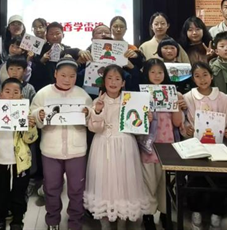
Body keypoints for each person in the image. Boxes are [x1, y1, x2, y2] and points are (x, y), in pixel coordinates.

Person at [31, 57, 93, 230]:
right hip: (50, 150)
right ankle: (52, 220)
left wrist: (88, 113)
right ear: (55, 74)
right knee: (51, 187)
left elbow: (91, 117)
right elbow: (33, 112)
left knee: (77, 188)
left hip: (77, 150)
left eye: (72, 76)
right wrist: (38, 115)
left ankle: (75, 221)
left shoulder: (82, 94)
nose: (67, 79)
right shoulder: (43, 93)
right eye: (63, 75)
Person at [85, 65, 148, 229]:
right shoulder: (97, 101)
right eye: (109, 78)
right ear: (103, 81)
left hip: (125, 145)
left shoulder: (131, 101)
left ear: (123, 82)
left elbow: (138, 126)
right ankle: (105, 223)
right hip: (102, 145)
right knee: (103, 183)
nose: (113, 82)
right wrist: (97, 111)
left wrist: (145, 118)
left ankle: (122, 222)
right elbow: (94, 128)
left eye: (117, 79)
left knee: (125, 183)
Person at [180, 62, 227, 230]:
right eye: (197, 76)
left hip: (219, 147)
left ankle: (216, 213)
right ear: (193, 79)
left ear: (211, 76)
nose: (202, 79)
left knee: (219, 180)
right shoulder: (187, 98)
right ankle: (196, 211)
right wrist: (187, 128)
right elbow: (181, 119)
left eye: (205, 75)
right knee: (195, 180)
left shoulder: (223, 98)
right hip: (195, 147)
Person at [0, 78, 38, 230]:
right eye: (7, 91)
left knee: (19, 192)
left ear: (21, 96)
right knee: (0, 191)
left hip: (20, 162)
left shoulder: (25, 113)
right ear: (0, 94)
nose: (11, 95)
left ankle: (17, 219)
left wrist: (30, 126)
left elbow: (30, 139)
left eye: (15, 92)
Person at [139, 59, 183, 230]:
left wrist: (177, 106)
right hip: (148, 147)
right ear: (146, 74)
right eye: (152, 72)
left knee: (167, 183)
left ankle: (166, 214)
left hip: (169, 146)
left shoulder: (173, 93)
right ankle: (148, 215)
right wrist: (145, 118)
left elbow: (178, 123)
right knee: (148, 182)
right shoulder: (140, 95)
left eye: (160, 72)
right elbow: (135, 124)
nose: (157, 76)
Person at [30, 22, 87, 91]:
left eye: (57, 33)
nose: (54, 36)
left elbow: (76, 74)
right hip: (46, 89)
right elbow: (33, 74)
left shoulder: (70, 51)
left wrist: (78, 61)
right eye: (51, 34)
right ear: (47, 36)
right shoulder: (40, 50)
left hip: (66, 90)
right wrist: (41, 61)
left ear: (63, 35)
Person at [110, 16, 146, 86]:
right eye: (115, 26)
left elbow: (139, 71)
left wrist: (136, 57)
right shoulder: (104, 46)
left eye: (122, 27)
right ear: (110, 28)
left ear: (126, 29)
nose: (118, 29)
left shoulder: (132, 48)